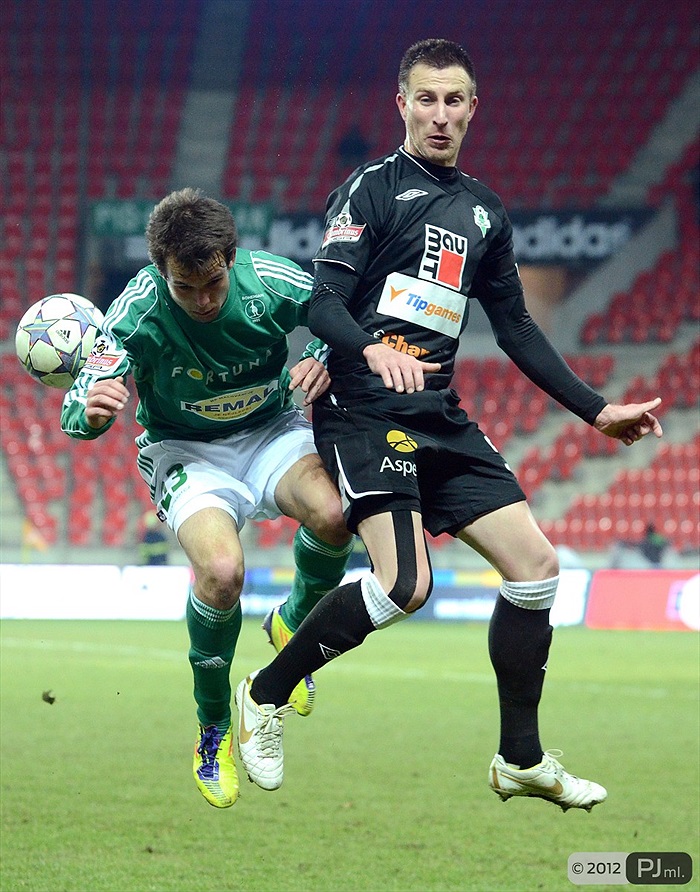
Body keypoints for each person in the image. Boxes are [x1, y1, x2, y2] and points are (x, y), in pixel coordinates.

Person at [234, 39, 664, 810]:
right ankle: (263, 694)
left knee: (535, 569)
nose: (439, 114)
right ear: (401, 103)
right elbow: (323, 301)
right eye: (425, 99)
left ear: (472, 107)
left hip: (438, 414)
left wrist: (597, 410)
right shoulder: (368, 191)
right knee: (406, 584)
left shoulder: (484, 211)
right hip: (362, 408)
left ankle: (520, 759)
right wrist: (365, 349)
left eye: (453, 100)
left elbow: (518, 330)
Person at [60, 188, 353, 808]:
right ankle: (214, 729)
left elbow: (341, 310)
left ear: (232, 257)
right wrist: (89, 412)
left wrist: (326, 352)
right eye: (184, 288)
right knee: (222, 573)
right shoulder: (137, 309)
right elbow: (79, 397)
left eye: (213, 283)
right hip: (186, 451)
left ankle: (293, 625)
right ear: (160, 270)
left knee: (335, 513)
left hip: (271, 431)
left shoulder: (271, 281)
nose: (202, 300)